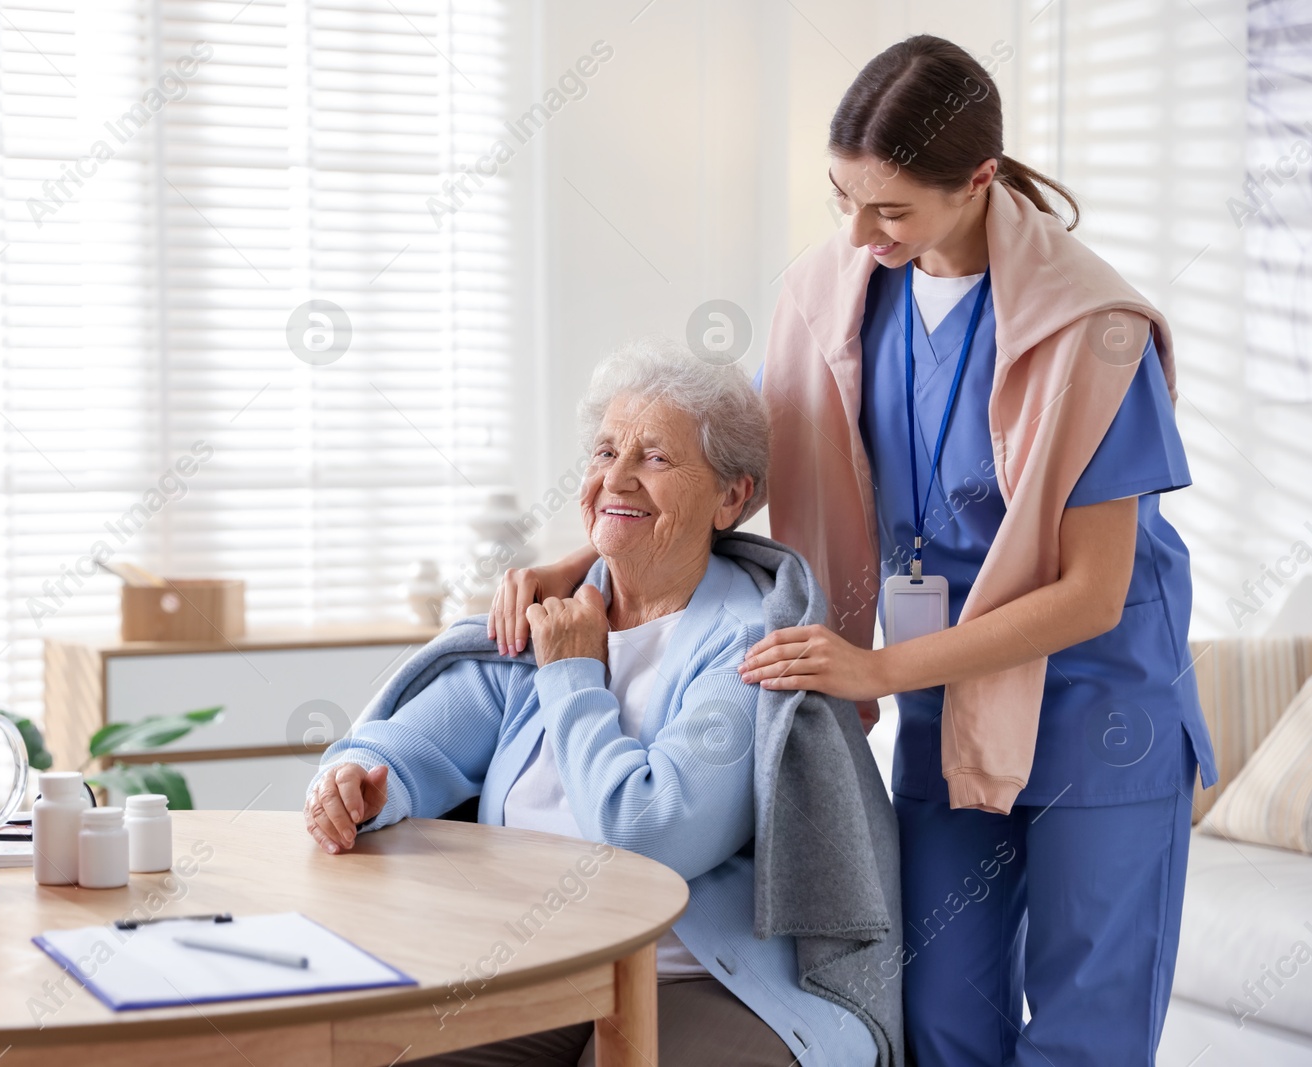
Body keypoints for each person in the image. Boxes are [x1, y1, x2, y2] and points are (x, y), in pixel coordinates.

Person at [493, 35, 1216, 1067]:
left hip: (1101, 708)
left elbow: (1093, 592)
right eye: (841, 199)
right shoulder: (832, 296)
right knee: (935, 1018)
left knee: (1083, 1034)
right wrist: (594, 557)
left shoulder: (1092, 331)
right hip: (948, 701)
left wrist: (875, 667)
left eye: (889, 210)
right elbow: (718, 472)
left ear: (976, 180)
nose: (859, 232)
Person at [306, 339, 886, 1067]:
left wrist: (576, 676)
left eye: (655, 458)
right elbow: (413, 746)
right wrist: (358, 779)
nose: (617, 478)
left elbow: (647, 838)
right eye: (606, 452)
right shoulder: (556, 613)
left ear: (732, 496)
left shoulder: (750, 644)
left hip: (696, 976)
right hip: (535, 960)